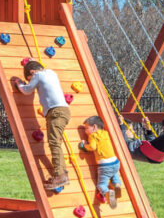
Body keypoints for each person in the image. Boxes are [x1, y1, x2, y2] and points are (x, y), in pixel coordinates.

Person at [12, 60, 71, 190]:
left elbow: (27, 91)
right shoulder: (51, 73)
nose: (31, 81)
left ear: (32, 72)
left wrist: (20, 84)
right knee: (56, 142)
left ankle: (60, 175)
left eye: (29, 78)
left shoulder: (38, 75)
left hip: (55, 111)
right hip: (64, 111)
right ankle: (62, 172)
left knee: (54, 143)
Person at [79, 116, 121, 209]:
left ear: (94, 127)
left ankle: (108, 193)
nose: (85, 131)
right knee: (114, 176)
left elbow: (93, 147)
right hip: (115, 162)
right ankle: (117, 185)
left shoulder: (92, 135)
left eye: (86, 128)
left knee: (101, 184)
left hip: (105, 165)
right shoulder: (105, 133)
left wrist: (85, 145)